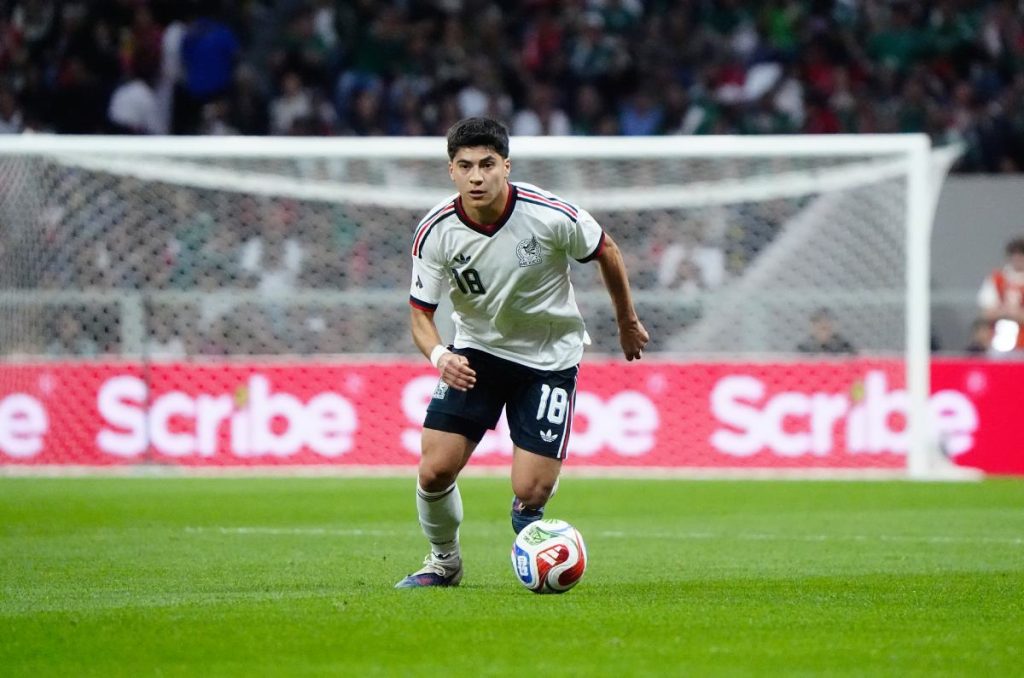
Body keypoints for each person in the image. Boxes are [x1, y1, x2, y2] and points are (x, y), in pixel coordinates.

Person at [396, 117, 649, 588]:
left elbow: (607, 250)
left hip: (549, 358)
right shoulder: (435, 231)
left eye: (487, 164)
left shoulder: (550, 214)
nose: (476, 176)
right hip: (477, 353)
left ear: (506, 167)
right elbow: (420, 316)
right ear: (450, 171)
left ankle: (529, 515)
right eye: (465, 165)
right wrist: (439, 357)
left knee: (531, 489)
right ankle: (443, 562)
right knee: (433, 471)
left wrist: (626, 321)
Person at [977, 236, 1024, 353]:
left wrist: (1014, 314)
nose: (1018, 260)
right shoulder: (997, 279)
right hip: (998, 342)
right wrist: (1008, 313)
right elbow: (986, 312)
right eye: (1015, 256)